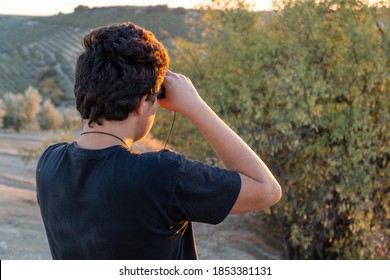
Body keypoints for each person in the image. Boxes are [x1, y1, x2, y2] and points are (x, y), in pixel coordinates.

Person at [36, 22, 281, 260]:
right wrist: (195, 105)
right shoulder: (162, 175)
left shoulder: (48, 164)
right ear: (142, 104)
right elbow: (266, 190)